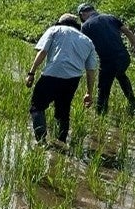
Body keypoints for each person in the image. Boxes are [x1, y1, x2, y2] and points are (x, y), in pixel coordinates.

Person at [25, 13, 98, 143]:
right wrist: (89, 93)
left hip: (51, 76)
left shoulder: (55, 30)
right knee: (63, 112)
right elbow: (91, 70)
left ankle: (41, 141)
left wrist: (31, 73)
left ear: (60, 22)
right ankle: (61, 141)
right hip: (72, 81)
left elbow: (42, 52)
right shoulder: (88, 41)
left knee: (37, 107)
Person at [77, 2, 135, 114]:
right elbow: (128, 32)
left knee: (103, 88)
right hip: (124, 58)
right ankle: (133, 104)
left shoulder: (86, 26)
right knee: (120, 75)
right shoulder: (110, 17)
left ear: (82, 14)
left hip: (108, 61)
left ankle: (100, 115)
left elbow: (84, 47)